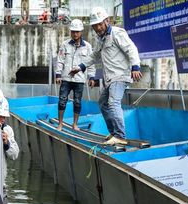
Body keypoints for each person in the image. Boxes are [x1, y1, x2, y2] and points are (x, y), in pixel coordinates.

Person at [69, 7, 142, 145]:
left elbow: (131, 48)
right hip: (110, 79)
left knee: (113, 103)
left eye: (100, 24)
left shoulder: (117, 33)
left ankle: (120, 136)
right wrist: (80, 67)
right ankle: (114, 133)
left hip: (120, 76)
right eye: (95, 25)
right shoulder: (100, 39)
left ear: (107, 21)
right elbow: (94, 55)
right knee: (103, 103)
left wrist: (135, 66)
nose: (98, 27)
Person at [55, 19, 96, 131]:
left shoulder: (87, 46)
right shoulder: (65, 44)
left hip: (80, 79)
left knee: (77, 102)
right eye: (73, 31)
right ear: (70, 31)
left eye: (77, 31)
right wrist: (58, 74)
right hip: (66, 78)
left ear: (81, 32)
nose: (75, 34)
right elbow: (60, 60)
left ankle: (75, 124)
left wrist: (91, 77)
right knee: (62, 100)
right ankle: (60, 124)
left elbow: (90, 62)